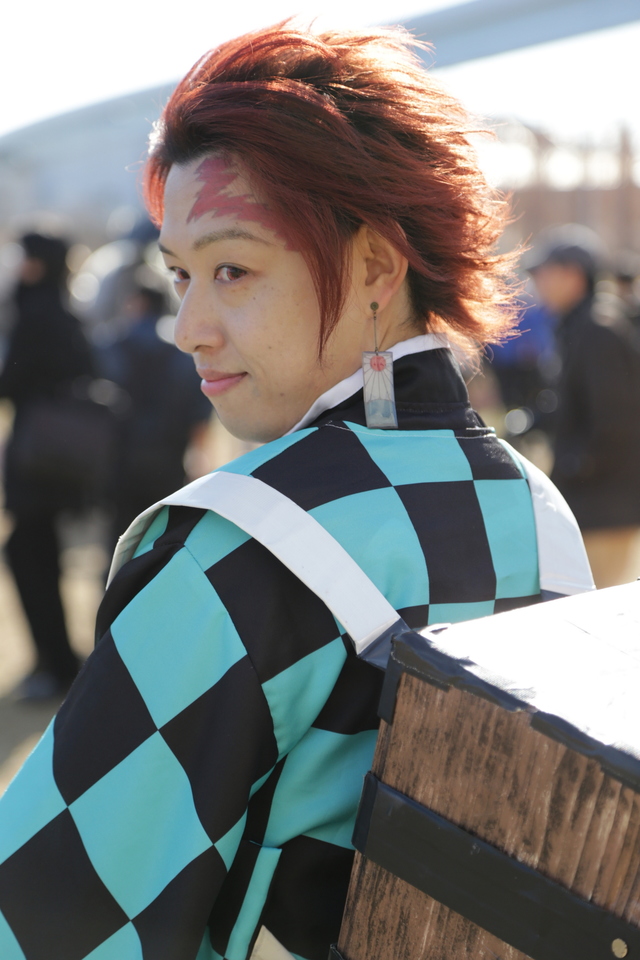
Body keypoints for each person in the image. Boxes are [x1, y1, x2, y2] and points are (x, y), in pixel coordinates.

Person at [0, 25, 593, 960]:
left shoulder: (233, 551)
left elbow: (46, 926)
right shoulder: (537, 510)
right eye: (180, 275)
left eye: (232, 270)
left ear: (375, 267)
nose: (188, 327)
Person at [0, 233, 95, 699]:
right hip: (61, 461)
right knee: (41, 554)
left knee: (28, 555)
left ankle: (53, 666)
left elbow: (10, 381)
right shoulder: (65, 312)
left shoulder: (34, 314)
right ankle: (58, 661)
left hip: (36, 461)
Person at [527, 225, 640, 588]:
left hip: (605, 508)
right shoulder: (580, 326)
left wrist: (575, 466)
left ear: (573, 275)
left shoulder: (598, 329)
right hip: (594, 504)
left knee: (598, 614)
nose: (538, 282)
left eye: (545, 272)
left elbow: (616, 421)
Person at [99, 284, 211, 548]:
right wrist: (199, 456)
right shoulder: (183, 351)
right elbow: (199, 411)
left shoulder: (113, 344)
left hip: (120, 456)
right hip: (169, 456)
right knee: (163, 535)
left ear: (139, 303)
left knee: (120, 535)